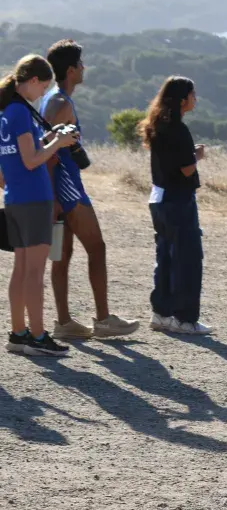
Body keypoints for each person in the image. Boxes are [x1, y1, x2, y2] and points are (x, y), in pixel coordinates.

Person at [41, 39, 139, 340]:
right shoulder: (60, 104)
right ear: (71, 70)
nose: (84, 68)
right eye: (81, 64)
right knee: (97, 248)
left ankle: (64, 323)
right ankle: (103, 319)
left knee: (63, 254)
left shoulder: (52, 99)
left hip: (60, 188)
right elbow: (46, 148)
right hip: (66, 188)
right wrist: (53, 198)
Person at [1, 54, 79, 356]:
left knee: (20, 270)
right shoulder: (21, 112)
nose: (43, 94)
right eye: (44, 88)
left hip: (16, 199)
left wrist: (50, 137)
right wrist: (58, 143)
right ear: (33, 81)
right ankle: (37, 336)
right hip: (34, 198)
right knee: (34, 273)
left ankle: (18, 334)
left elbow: (22, 152)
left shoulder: (6, 113)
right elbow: (32, 159)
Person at [139, 76, 212, 335]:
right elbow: (185, 168)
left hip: (158, 198)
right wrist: (197, 156)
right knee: (188, 258)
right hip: (178, 200)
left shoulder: (158, 125)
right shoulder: (179, 129)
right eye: (193, 95)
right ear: (183, 100)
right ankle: (185, 319)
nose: (195, 99)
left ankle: (161, 313)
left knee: (165, 257)